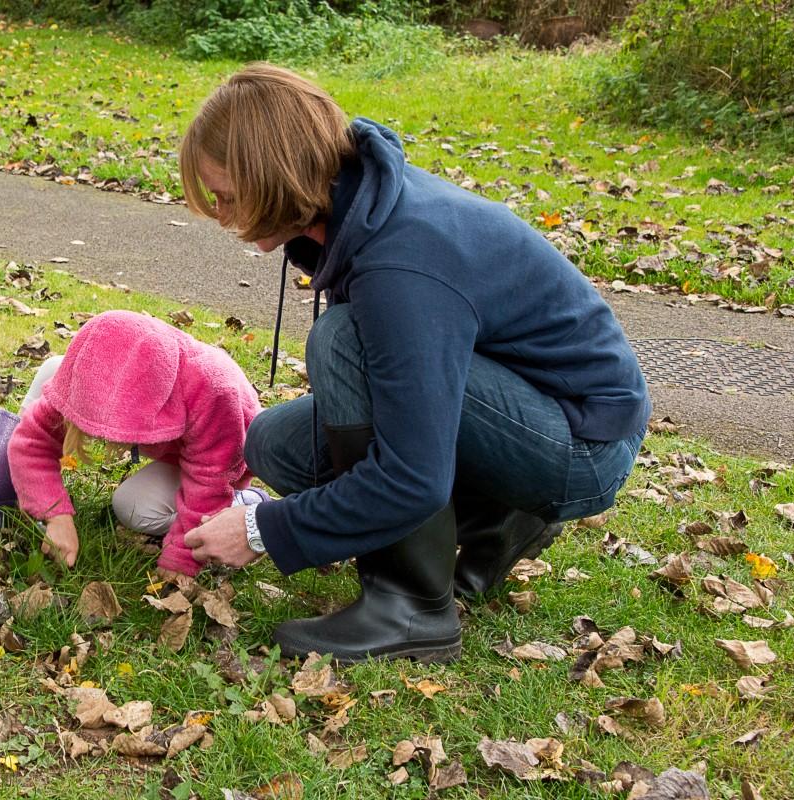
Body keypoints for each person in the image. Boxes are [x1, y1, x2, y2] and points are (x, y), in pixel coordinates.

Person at [180, 64, 650, 664]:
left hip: (580, 445)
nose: (221, 215)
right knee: (277, 444)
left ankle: (410, 607)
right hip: (523, 404)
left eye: (226, 196)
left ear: (274, 174)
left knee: (342, 340)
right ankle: (501, 518)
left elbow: (411, 477)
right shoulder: (358, 203)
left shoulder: (402, 264)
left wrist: (261, 530)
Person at [0, 310, 266, 580]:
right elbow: (32, 441)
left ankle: (243, 506)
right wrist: (55, 514)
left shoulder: (215, 391)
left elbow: (208, 480)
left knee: (133, 507)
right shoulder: (97, 363)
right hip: (166, 435)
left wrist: (178, 563)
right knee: (51, 368)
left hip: (226, 458)